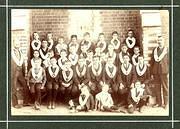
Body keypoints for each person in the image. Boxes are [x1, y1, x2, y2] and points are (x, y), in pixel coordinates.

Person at [151, 35, 169, 108]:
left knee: (165, 88)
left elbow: (170, 62)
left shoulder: (167, 50)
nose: (159, 42)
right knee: (157, 88)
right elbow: (151, 62)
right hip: (156, 72)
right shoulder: (154, 50)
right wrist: (152, 72)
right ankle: (159, 103)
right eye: (158, 40)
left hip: (164, 72)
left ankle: (165, 104)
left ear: (163, 41)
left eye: (161, 40)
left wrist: (169, 72)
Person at [12, 40, 30, 108]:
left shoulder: (20, 51)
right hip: (13, 71)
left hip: (20, 72)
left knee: (25, 85)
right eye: (16, 43)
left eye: (18, 44)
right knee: (13, 87)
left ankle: (26, 102)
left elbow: (22, 62)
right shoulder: (10, 52)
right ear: (13, 44)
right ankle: (15, 104)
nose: (17, 44)